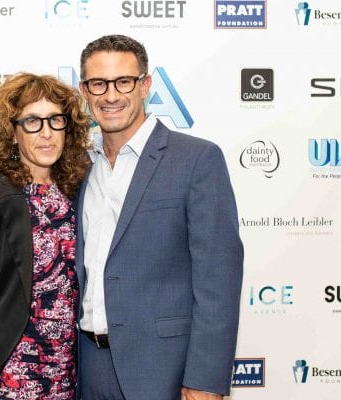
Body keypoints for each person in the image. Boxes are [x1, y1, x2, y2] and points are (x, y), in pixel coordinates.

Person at [75, 34, 244, 400]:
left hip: (163, 370)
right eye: (98, 83)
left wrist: (204, 380)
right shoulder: (78, 167)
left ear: (145, 85)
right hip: (85, 368)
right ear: (85, 91)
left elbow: (218, 282)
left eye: (124, 81)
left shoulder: (196, 160)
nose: (111, 95)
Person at [0, 73, 91, 400]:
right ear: (12, 132)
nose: (46, 133)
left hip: (65, 377)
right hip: (8, 378)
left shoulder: (78, 192)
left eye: (55, 120)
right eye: (32, 122)